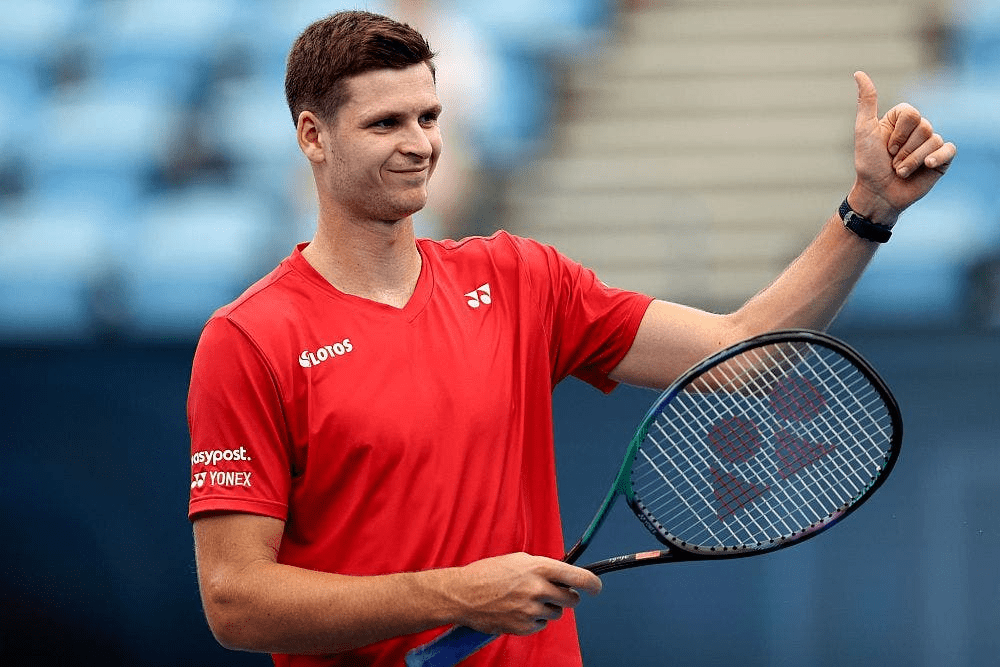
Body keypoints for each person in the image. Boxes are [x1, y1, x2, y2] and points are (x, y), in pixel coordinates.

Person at [187, 10, 955, 667]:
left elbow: (742, 347)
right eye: (385, 123)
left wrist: (868, 210)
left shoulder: (519, 278)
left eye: (429, 117)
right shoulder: (250, 339)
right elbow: (236, 600)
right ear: (313, 136)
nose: (419, 144)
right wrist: (454, 594)